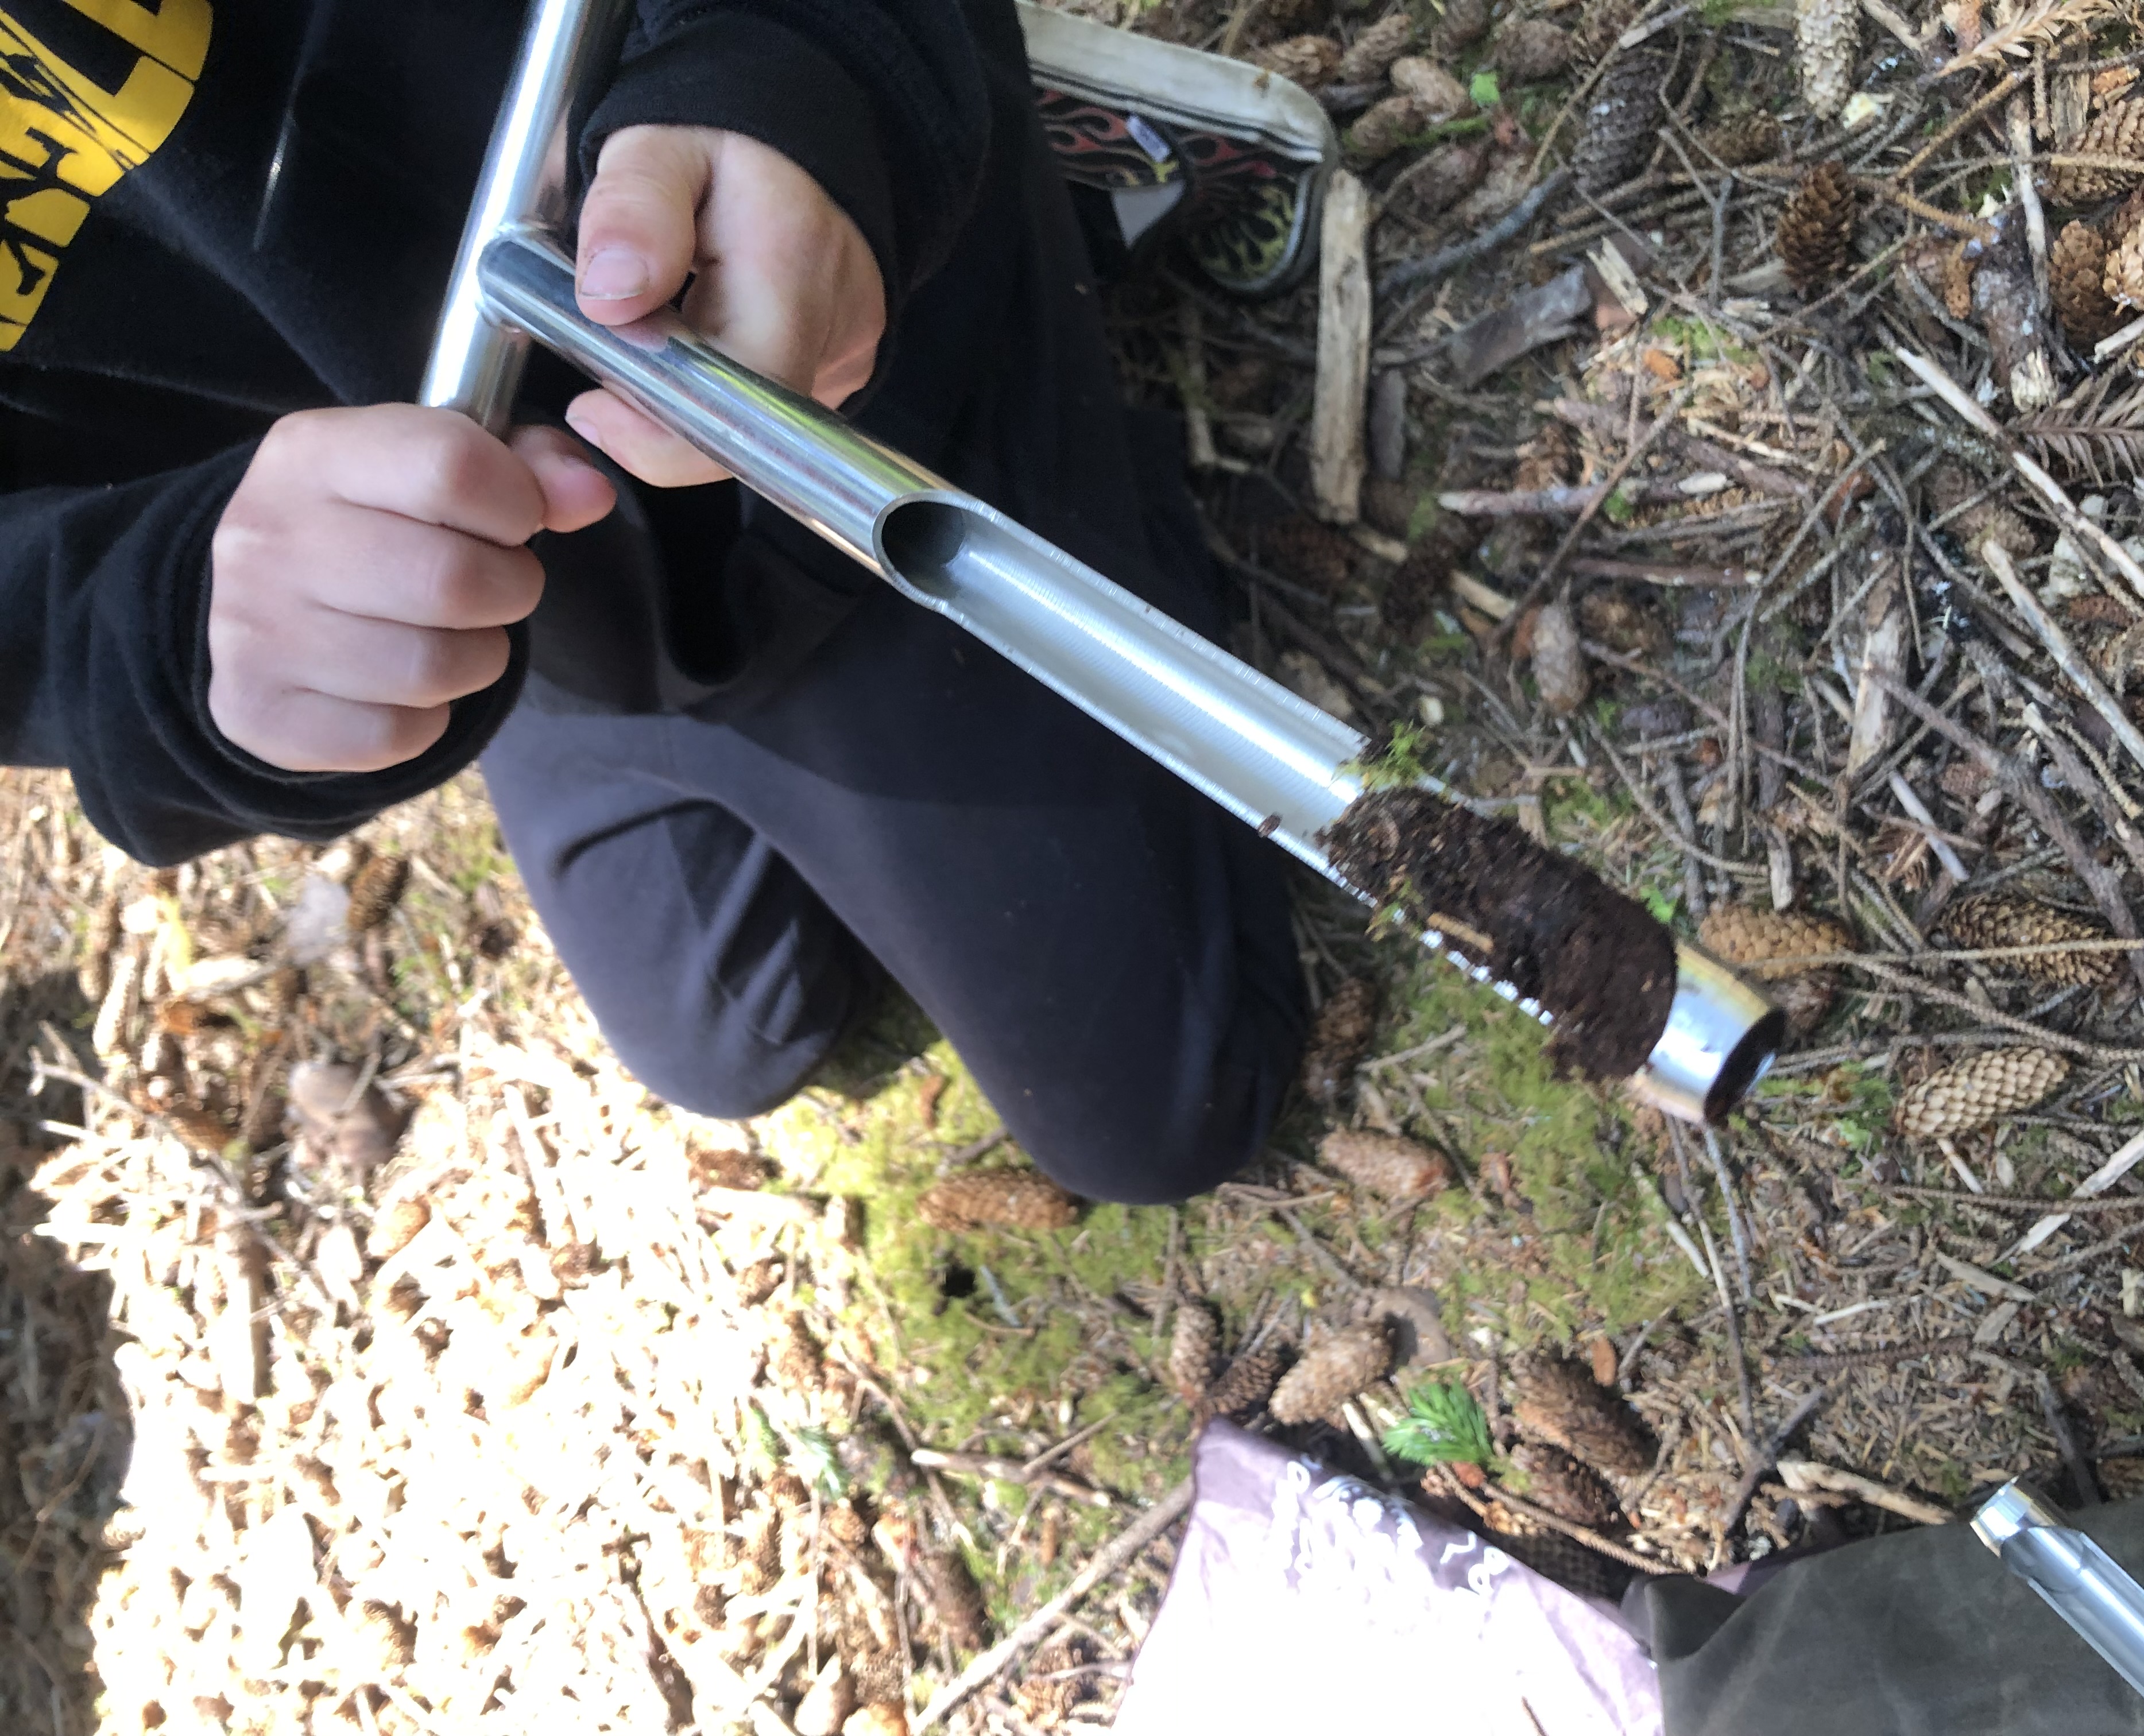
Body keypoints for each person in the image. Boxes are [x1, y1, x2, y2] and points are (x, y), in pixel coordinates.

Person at [0, 0, 1309, 1203]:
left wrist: (806, 73)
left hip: (837, 347)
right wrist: (151, 629)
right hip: (522, 587)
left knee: (1171, 1119)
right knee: (733, 1044)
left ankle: (1037, 234)